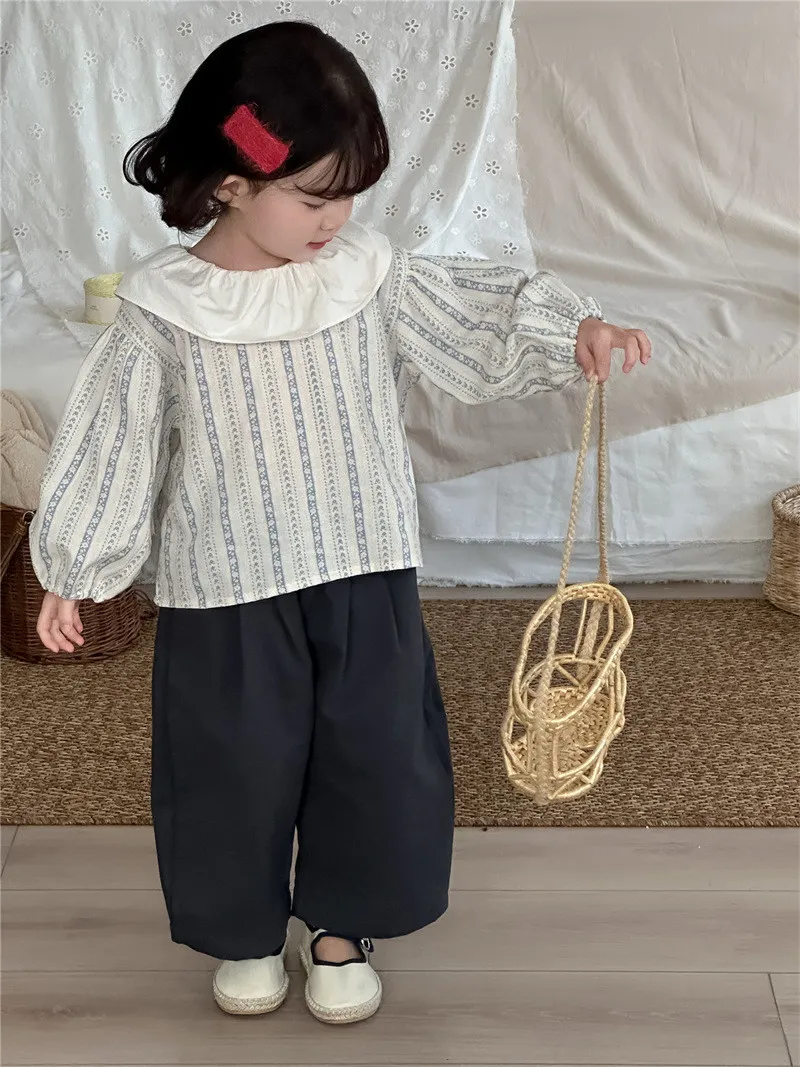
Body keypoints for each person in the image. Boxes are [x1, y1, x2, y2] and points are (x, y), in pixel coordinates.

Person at [29, 21, 651, 1026]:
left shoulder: (368, 276)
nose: (338, 218)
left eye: (350, 193)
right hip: (225, 586)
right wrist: (74, 564)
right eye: (314, 197)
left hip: (363, 564)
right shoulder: (164, 309)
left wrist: (568, 328)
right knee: (229, 763)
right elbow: (114, 438)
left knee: (375, 753)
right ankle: (242, 929)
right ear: (233, 182)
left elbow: (471, 317)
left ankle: (339, 927)